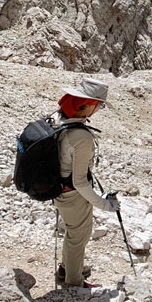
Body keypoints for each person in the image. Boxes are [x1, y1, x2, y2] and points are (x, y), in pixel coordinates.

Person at [53, 77, 117, 287]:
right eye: (99, 106)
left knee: (73, 232)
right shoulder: (82, 138)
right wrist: (105, 204)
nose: (98, 110)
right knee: (78, 236)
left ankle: (67, 268)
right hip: (73, 195)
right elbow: (80, 182)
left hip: (60, 190)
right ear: (88, 105)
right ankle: (74, 282)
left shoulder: (59, 122)